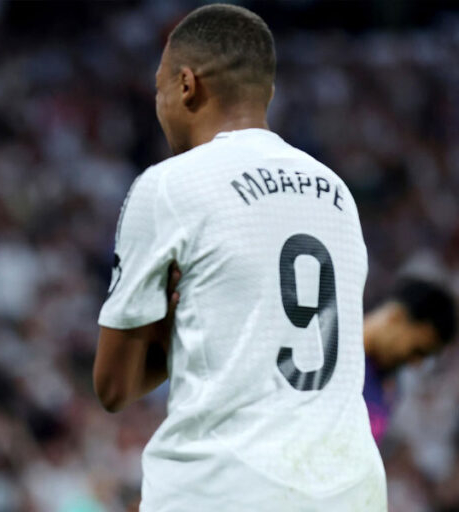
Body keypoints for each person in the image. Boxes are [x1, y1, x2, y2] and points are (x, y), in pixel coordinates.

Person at [92, 4, 386, 510]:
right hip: (351, 486)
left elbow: (113, 386)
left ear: (186, 85)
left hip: (226, 484)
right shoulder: (335, 191)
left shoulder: (170, 185)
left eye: (159, 87)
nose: (159, 104)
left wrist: (169, 323)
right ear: (266, 91)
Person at [363, 277, 456, 443]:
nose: (417, 363)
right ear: (396, 317)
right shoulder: (330, 348)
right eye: (418, 350)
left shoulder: (390, 389)